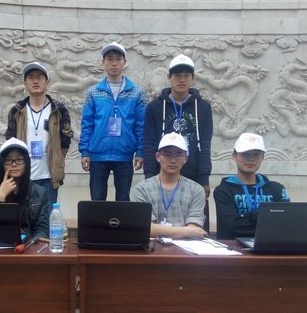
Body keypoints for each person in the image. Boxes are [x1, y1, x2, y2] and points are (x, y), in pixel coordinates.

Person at [143, 54, 213, 231]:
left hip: (193, 172)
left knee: (197, 224)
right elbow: (150, 142)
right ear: (169, 77)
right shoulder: (155, 107)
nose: (182, 80)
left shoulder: (203, 107)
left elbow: (205, 144)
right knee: (156, 222)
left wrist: (204, 177)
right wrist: (149, 175)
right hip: (162, 172)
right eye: (177, 75)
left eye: (186, 76)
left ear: (193, 78)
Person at [78, 41, 147, 201]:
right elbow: (87, 124)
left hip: (124, 154)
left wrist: (140, 151)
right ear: (103, 62)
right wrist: (85, 151)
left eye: (118, 59)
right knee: (97, 200)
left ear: (124, 62)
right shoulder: (94, 92)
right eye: (109, 59)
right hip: (98, 155)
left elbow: (140, 125)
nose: (114, 63)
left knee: (123, 200)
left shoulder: (136, 92)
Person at [5, 61, 73, 210]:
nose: (35, 81)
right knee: (22, 216)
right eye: (30, 77)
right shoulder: (17, 110)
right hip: (23, 175)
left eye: (40, 77)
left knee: (47, 217)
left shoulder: (59, 109)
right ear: (25, 83)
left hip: (49, 176)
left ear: (47, 82)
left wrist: (56, 160)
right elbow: (10, 140)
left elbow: (65, 140)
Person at [213, 132, 290, 240]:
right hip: (234, 247)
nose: (251, 159)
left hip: (270, 245)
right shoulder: (223, 191)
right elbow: (231, 226)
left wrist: (249, 217)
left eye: (256, 154)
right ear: (234, 156)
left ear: (262, 157)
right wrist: (264, 217)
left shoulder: (277, 189)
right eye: (245, 154)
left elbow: (285, 222)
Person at [133, 132, 206, 239]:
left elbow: (195, 228)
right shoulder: (142, 189)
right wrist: (186, 231)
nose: (173, 160)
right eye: (167, 154)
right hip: (152, 247)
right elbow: (146, 228)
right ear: (158, 157)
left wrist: (158, 230)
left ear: (185, 158)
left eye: (178, 154)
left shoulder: (196, 190)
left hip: (185, 247)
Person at [0, 138, 50, 240]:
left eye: (19, 159)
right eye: (8, 160)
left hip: (29, 244)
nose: (14, 164)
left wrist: (31, 244)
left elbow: (42, 229)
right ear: (2, 164)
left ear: (26, 163)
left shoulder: (40, 192)